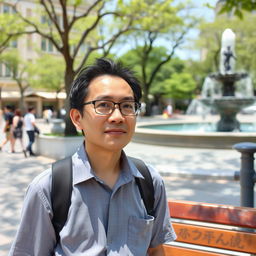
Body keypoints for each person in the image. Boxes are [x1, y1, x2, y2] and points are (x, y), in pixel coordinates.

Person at [9, 58, 176, 255]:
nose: (117, 116)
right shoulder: (48, 189)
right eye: (103, 105)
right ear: (77, 118)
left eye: (128, 106)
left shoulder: (149, 182)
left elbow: (155, 250)